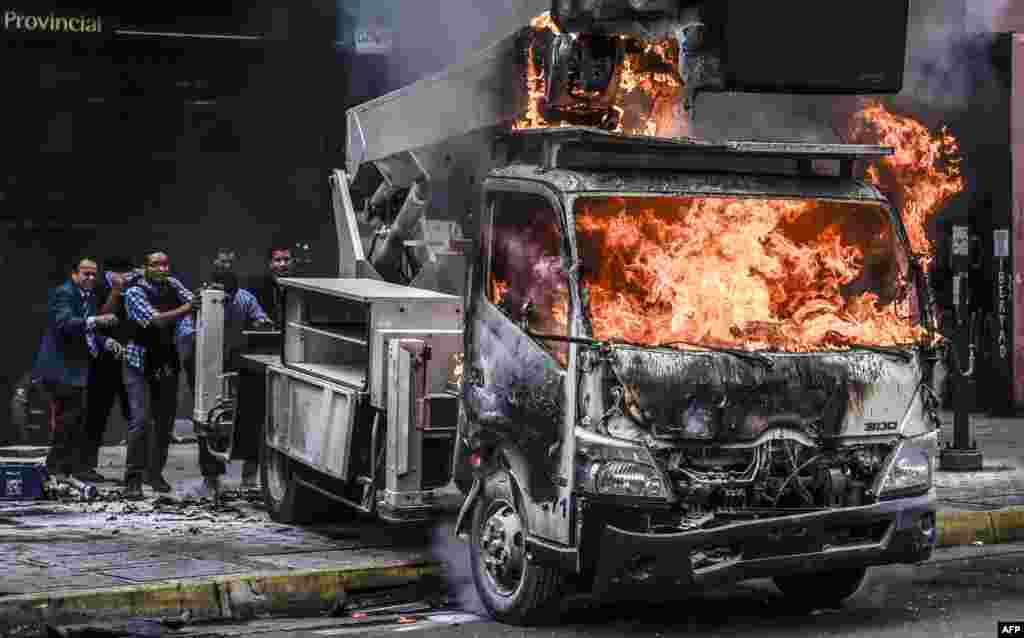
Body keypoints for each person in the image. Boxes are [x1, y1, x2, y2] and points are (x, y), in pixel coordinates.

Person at [31, 258, 118, 478]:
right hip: (60, 368)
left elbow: (86, 328)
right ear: (74, 274)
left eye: (93, 274)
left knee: (75, 421)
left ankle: (70, 469)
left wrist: (104, 342)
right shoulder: (64, 293)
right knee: (67, 421)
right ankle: (55, 469)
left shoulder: (87, 295)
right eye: (86, 274)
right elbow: (65, 323)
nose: (90, 278)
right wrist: (97, 320)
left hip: (76, 369)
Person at [121, 251, 194, 499]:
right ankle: (132, 479)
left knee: (164, 423)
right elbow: (156, 321)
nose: (162, 269)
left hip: (165, 360)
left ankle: (155, 474)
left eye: (165, 264)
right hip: (138, 362)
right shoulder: (134, 292)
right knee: (140, 422)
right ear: (145, 267)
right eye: (156, 265)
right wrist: (188, 308)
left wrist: (202, 301)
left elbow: (195, 302)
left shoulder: (172, 285)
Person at [194, 270, 273, 496]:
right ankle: (211, 479)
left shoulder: (245, 299)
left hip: (238, 361)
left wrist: (262, 323)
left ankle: (249, 478)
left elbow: (260, 319)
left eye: (228, 297)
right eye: (219, 295)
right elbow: (189, 328)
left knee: (250, 417)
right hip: (205, 362)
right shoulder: (200, 298)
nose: (223, 301)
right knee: (206, 420)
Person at [80, 257, 138, 482]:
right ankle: (85, 467)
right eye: (121, 275)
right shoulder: (97, 289)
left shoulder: (135, 290)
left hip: (131, 359)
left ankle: (136, 472)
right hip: (102, 362)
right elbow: (99, 321)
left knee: (135, 417)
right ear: (111, 274)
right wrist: (115, 291)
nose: (125, 279)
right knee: (95, 416)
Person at [250, 245, 293, 326]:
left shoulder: (299, 289)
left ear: (293, 262)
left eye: (287, 259)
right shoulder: (258, 288)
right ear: (270, 263)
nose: (283, 264)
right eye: (278, 260)